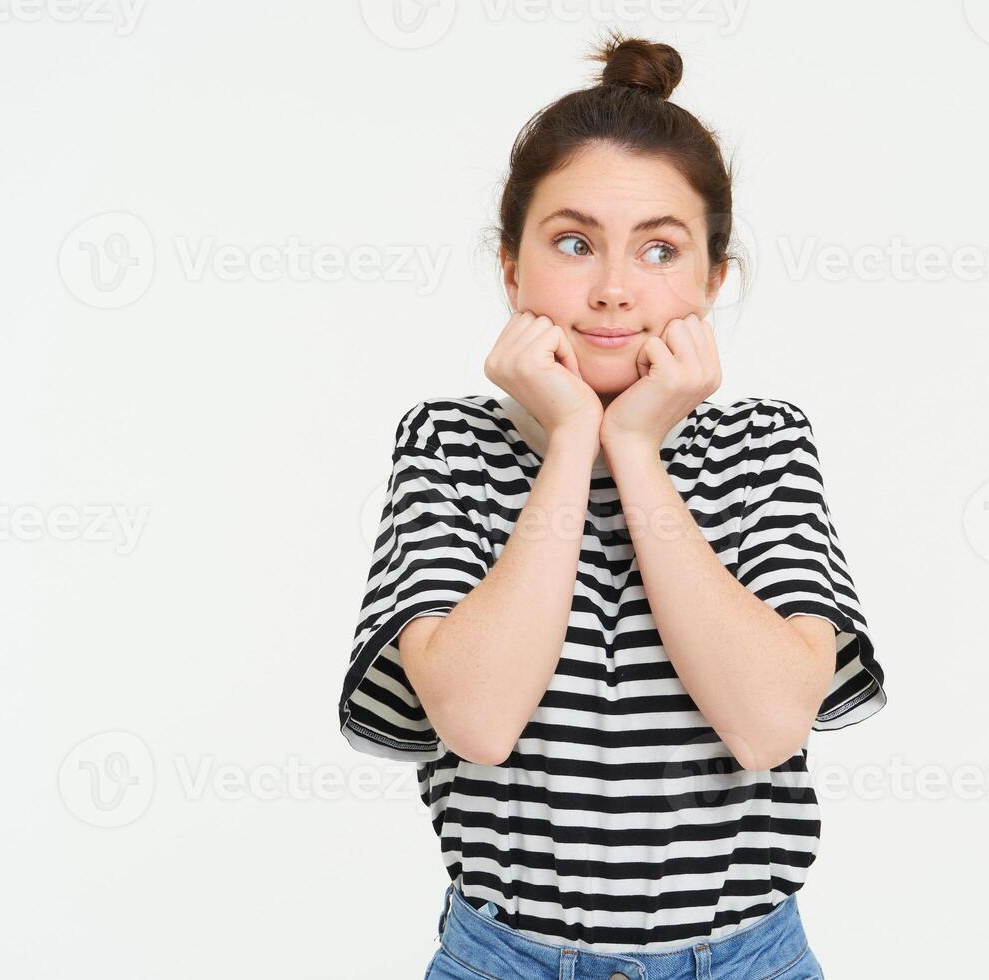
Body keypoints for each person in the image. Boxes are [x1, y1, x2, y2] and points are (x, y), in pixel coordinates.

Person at [339, 34, 888, 980]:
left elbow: (766, 725)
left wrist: (634, 446)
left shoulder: (761, 446)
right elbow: (476, 719)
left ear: (714, 278)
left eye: (661, 249)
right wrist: (570, 443)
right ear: (511, 267)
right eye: (572, 242)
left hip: (744, 960)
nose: (614, 290)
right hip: (505, 960)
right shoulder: (448, 445)